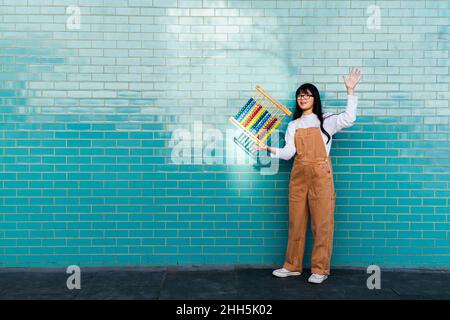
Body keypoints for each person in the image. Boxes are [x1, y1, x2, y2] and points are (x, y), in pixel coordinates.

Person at [256, 68, 362, 284]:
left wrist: (350, 91)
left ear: (314, 99)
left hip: (321, 177)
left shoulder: (326, 120)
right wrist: (266, 148)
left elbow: (350, 118)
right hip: (298, 177)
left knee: (322, 224)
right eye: (300, 95)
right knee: (296, 222)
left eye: (307, 94)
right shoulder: (293, 125)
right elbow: (288, 154)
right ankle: (292, 266)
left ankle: (320, 270)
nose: (302, 98)